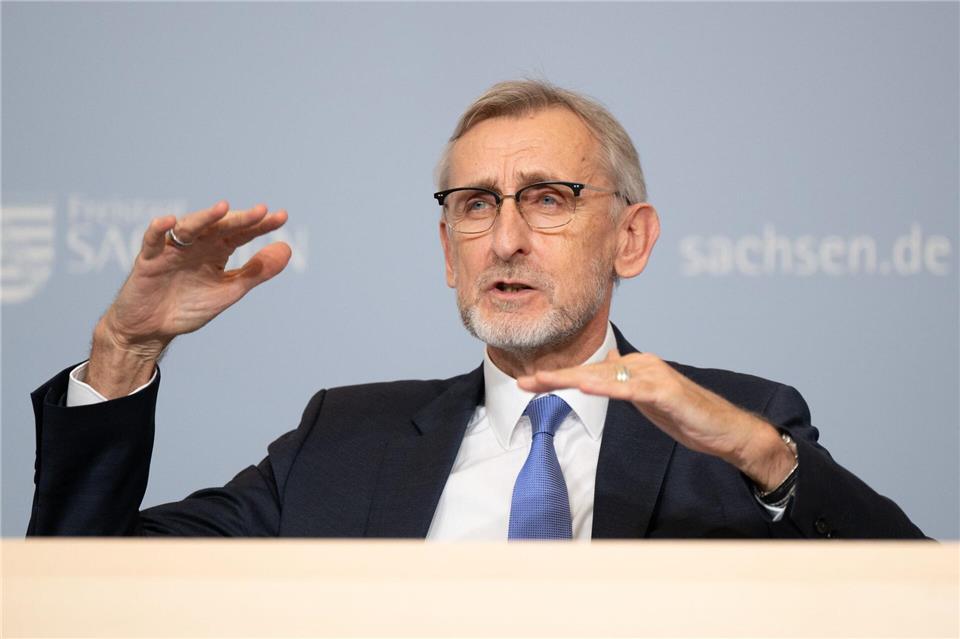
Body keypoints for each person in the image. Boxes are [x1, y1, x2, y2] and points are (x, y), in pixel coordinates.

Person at [28, 80, 924, 539]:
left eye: (548, 197)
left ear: (631, 238)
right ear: (448, 251)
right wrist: (123, 349)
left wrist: (767, 458)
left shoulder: (742, 427)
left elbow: (909, 595)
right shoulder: (340, 440)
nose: (503, 239)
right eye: (474, 205)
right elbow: (83, 587)